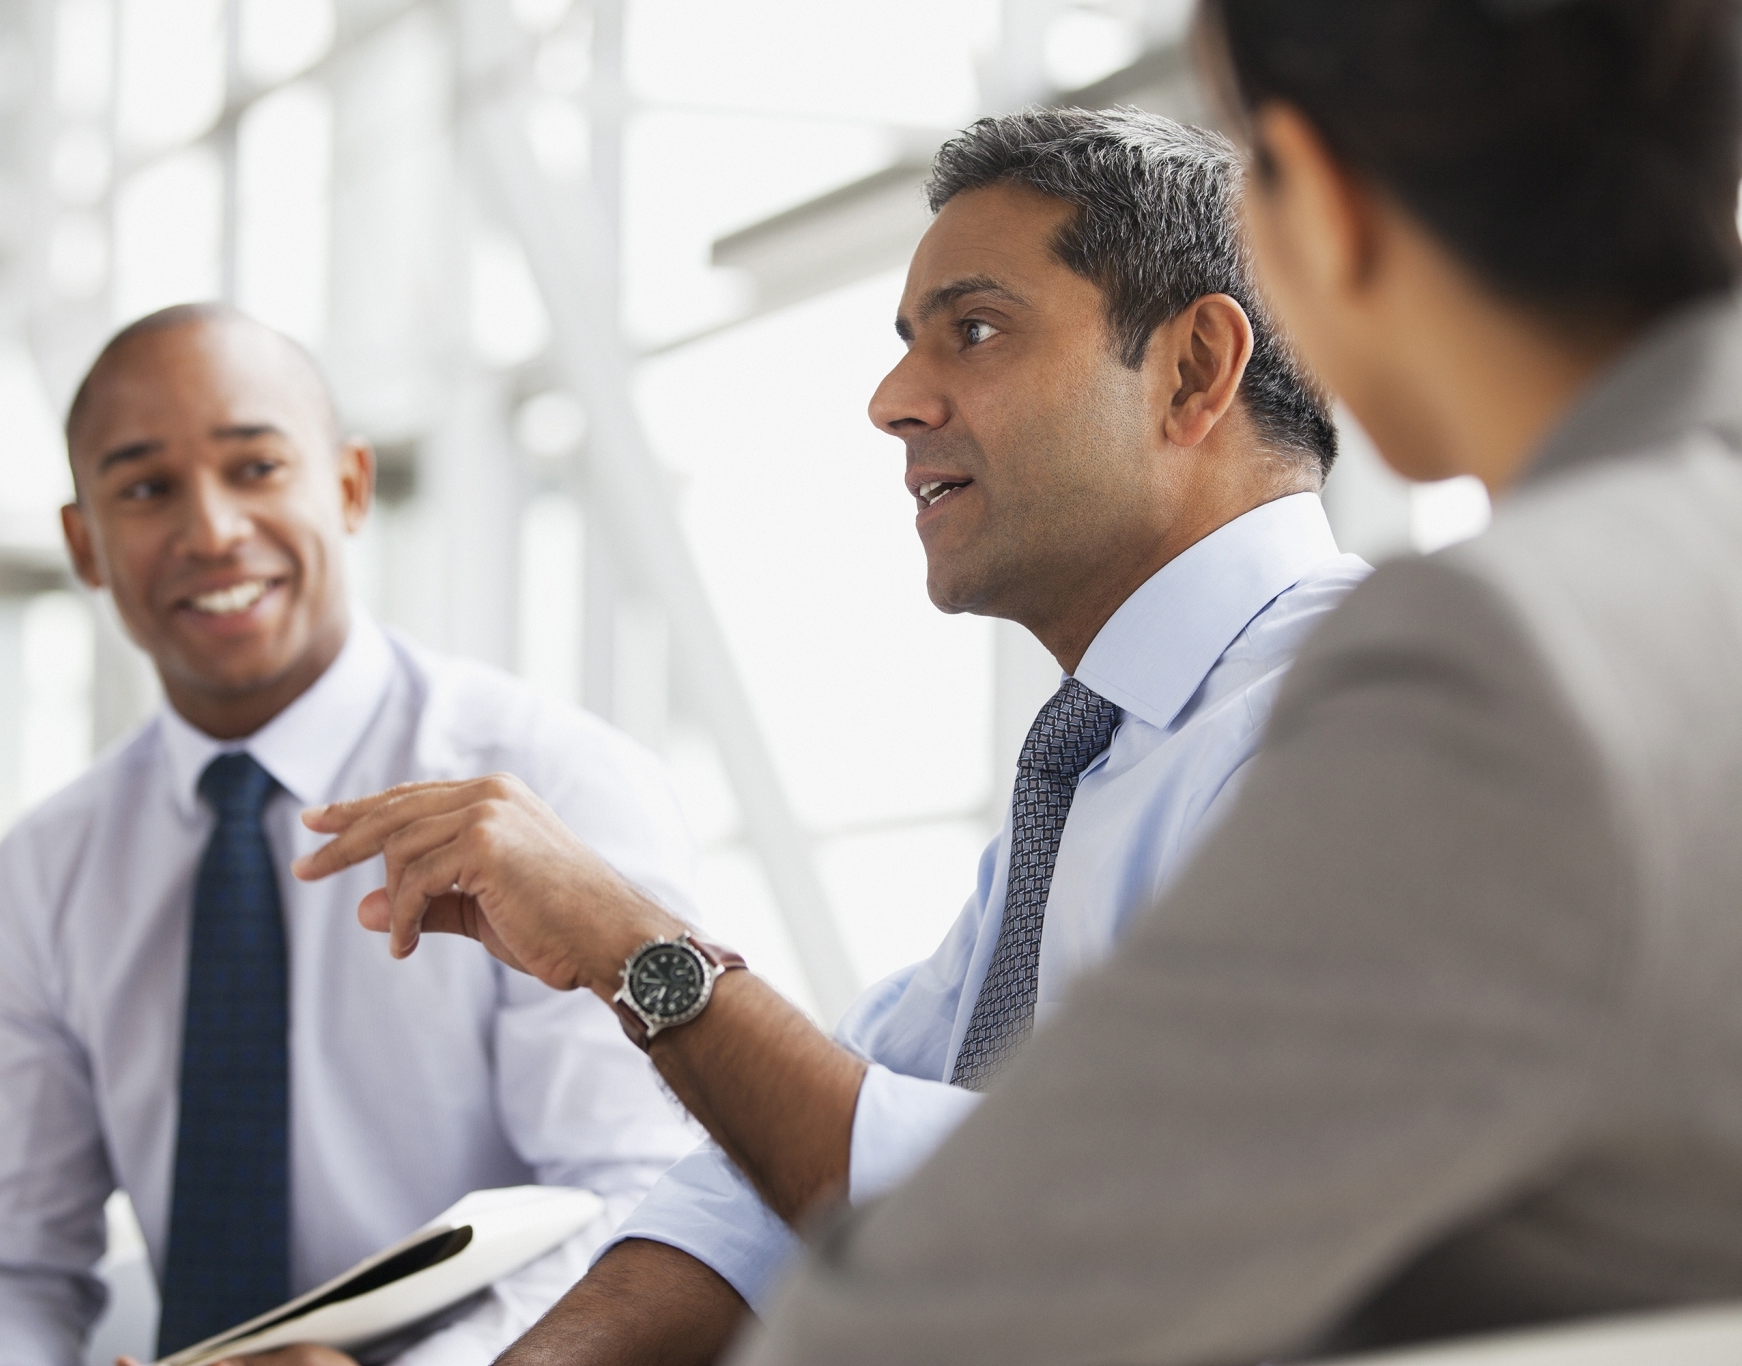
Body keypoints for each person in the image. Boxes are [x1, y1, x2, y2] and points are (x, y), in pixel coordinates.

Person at [719, 1, 1742, 1362]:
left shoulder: (1500, 667)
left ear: (1314, 201)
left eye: (1249, 173)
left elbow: (946, 1314)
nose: (892, 402)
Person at [291, 109, 1370, 1365]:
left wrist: (628, 943)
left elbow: (1067, 1218)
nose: (891, 401)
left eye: (972, 329)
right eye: (905, 344)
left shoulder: (1341, 727)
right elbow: (770, 1191)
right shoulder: (1092, 761)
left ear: (1190, 370)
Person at [0, 304, 704, 1366]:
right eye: (145, 488)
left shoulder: (553, 785)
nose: (210, 530)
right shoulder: (41, 875)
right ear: (82, 543)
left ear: (348, 488)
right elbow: (7, 1265)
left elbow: (638, 1201)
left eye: (255, 468)